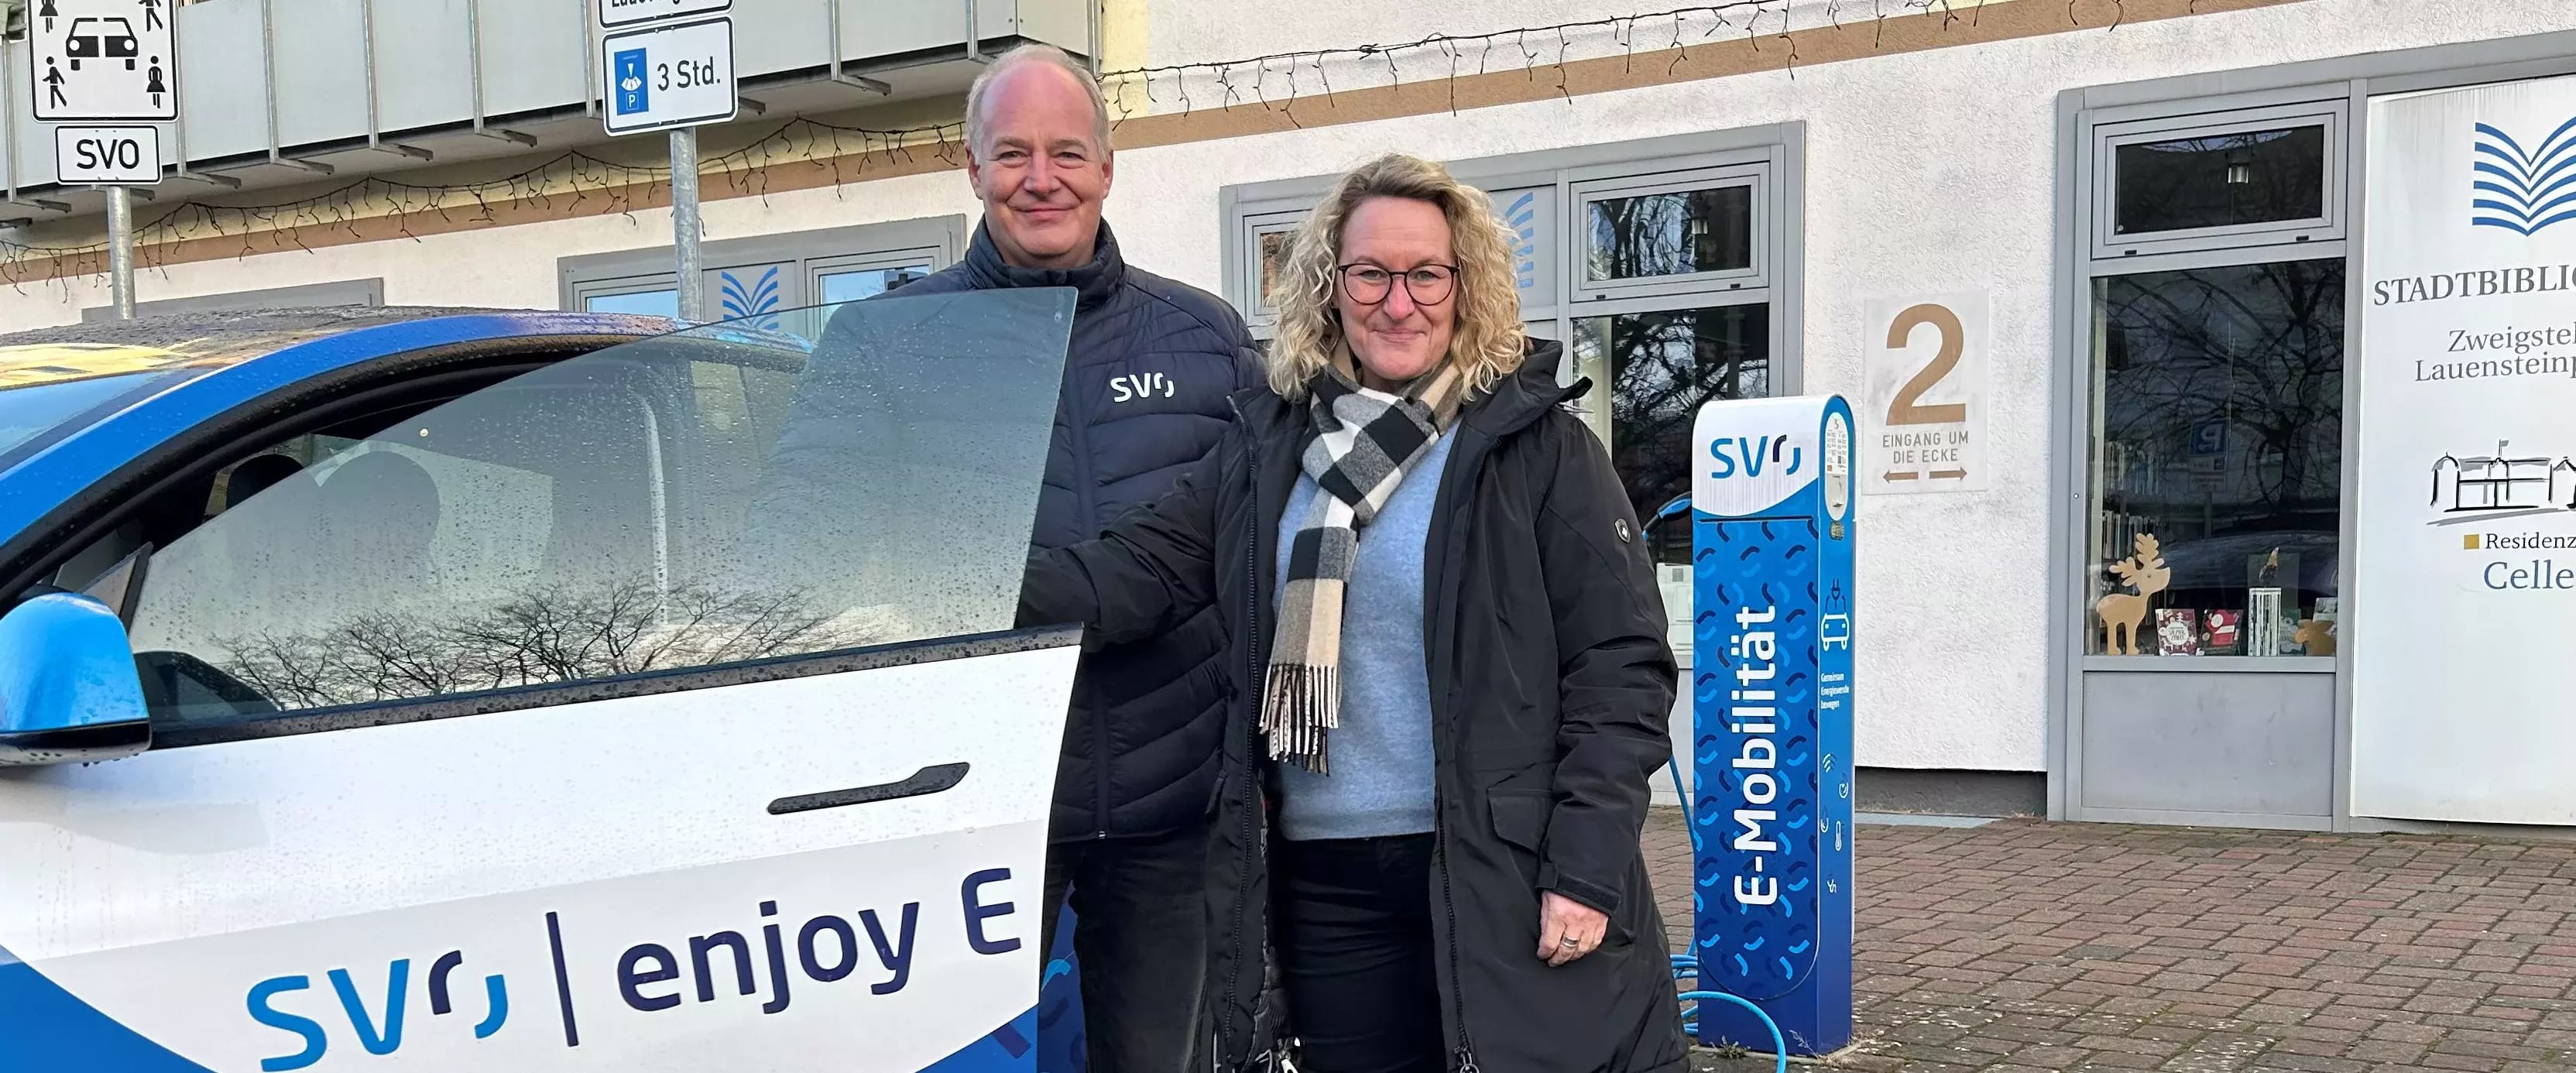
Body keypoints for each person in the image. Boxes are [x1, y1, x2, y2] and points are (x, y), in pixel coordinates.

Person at [1020, 153, 1687, 1072]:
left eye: (1426, 274)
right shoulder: (1269, 448)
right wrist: (949, 585)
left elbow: (1620, 670)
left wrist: (1585, 867)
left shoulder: (1536, 452)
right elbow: (1134, 574)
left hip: (1501, 870)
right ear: (1332, 286)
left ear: (1465, 286)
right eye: (1370, 272)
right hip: (1327, 885)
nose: (1398, 301)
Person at [879, 42, 1262, 1072]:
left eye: (1064, 152)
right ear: (970, 170)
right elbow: (830, 562)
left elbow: (1244, 553)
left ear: (1105, 165)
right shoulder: (887, 345)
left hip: (1167, 806)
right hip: (970, 806)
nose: (1038, 178)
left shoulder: (1208, 339)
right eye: (1011, 154)